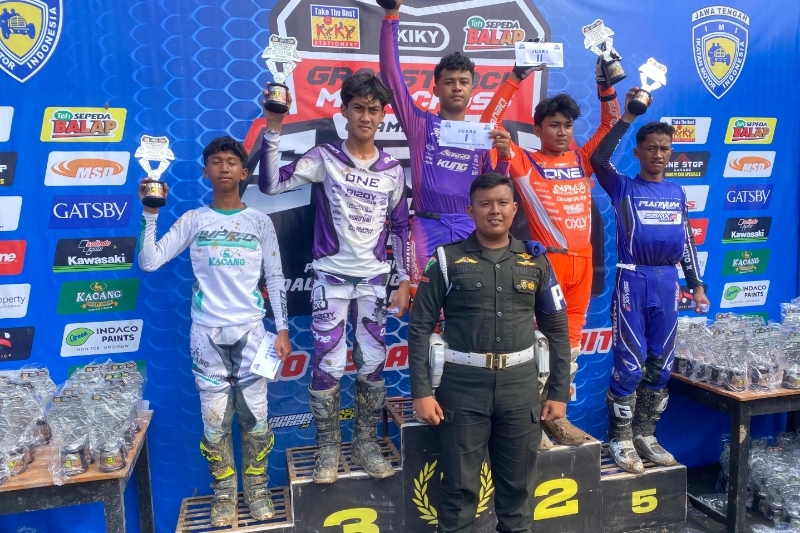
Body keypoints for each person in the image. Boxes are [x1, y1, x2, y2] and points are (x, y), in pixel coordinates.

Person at [259, 73, 410, 483]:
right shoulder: (324, 157)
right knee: (328, 363)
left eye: (373, 109)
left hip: (374, 282)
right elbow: (271, 184)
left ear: (383, 115)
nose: (366, 116)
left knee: (373, 362)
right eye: (358, 108)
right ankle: (328, 449)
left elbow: (401, 228)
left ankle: (364, 444)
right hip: (331, 279)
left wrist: (404, 279)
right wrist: (273, 127)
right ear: (344, 111)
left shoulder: (393, 170)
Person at [138, 136, 292, 526]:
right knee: (214, 421)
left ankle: (257, 492)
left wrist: (283, 329)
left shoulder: (260, 222)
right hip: (206, 336)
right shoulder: (194, 220)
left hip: (252, 334)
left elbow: (275, 277)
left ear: (244, 172)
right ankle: (224, 496)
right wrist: (151, 213)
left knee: (257, 419)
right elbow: (150, 261)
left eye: (231, 162)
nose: (224, 168)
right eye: (216, 162)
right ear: (205, 172)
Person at [408, 172, 571, 533]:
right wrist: (421, 392)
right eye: (485, 204)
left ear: (514, 209)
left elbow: (558, 331)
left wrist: (559, 392)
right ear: (471, 210)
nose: (494, 211)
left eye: (502, 203)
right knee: (458, 492)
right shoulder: (446, 260)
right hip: (462, 391)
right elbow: (419, 328)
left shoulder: (536, 262)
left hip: (520, 390)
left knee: (517, 492)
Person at [481, 56, 622, 448]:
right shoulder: (524, 161)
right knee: (537, 347)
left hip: (584, 264)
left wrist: (606, 85)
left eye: (568, 125)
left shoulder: (582, 159)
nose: (562, 132)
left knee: (569, 350)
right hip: (549, 264)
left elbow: (610, 125)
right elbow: (489, 122)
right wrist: (515, 77)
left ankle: (555, 419)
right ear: (538, 129)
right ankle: (528, 423)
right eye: (554, 125)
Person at [590, 89, 710, 473]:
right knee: (630, 365)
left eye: (665, 148)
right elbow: (598, 159)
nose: (659, 154)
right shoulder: (623, 187)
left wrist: (697, 285)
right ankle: (620, 438)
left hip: (667, 282)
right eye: (652, 148)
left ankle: (645, 434)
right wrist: (627, 117)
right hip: (633, 278)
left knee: (661, 364)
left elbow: (686, 240)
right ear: (638, 152)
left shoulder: (676, 192)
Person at [379, 0, 512, 301]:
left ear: (472, 90)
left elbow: (492, 188)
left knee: (471, 309)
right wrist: (391, 16)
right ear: (436, 88)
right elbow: (391, 75)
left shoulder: (481, 136)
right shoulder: (419, 123)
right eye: (449, 82)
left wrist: (504, 159)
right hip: (427, 227)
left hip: (470, 228)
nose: (457, 87)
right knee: (426, 311)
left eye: (464, 82)